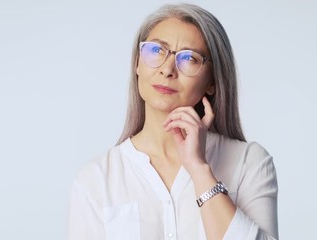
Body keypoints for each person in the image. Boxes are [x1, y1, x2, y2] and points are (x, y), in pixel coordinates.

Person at [68, 3, 278, 240]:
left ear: (213, 82)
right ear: (137, 63)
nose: (168, 69)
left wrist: (199, 170)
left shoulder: (248, 163)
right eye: (156, 50)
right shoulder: (96, 179)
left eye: (189, 58)